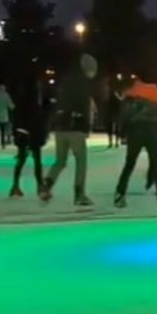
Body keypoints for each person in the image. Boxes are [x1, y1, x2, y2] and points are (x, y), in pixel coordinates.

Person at [39, 54, 97, 207]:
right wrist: (86, 127)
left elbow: (57, 103)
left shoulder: (65, 82)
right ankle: (79, 193)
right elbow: (84, 107)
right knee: (81, 162)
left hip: (61, 127)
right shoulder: (84, 85)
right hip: (75, 127)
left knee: (60, 161)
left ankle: (46, 186)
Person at [114, 75, 157, 211]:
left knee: (129, 163)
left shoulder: (129, 93)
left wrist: (122, 133)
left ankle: (120, 194)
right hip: (152, 131)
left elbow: (125, 115)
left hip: (135, 131)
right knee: (156, 165)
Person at [9, 74, 49, 198]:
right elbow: (38, 119)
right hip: (33, 134)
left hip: (22, 133)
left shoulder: (21, 100)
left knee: (21, 160)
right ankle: (40, 186)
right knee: (37, 161)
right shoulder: (35, 102)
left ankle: (15, 185)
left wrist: (15, 132)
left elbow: (17, 118)